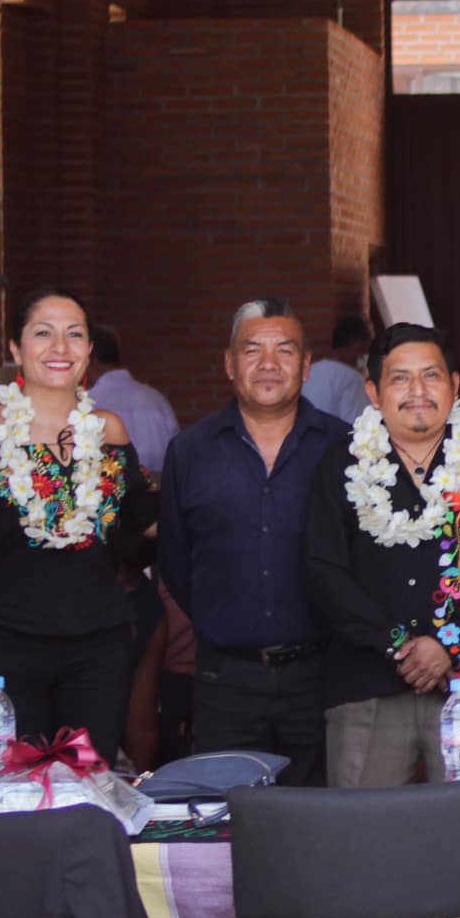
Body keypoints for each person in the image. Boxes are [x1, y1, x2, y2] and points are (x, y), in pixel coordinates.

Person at [305, 323, 460, 789]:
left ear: (454, 385)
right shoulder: (341, 463)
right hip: (367, 684)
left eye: (430, 376)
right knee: (364, 843)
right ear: (373, 391)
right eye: (400, 378)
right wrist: (397, 643)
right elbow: (324, 569)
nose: (417, 391)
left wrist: (448, 642)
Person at [0, 288, 156, 762]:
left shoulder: (110, 431)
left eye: (74, 334)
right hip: (5, 648)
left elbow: (142, 522)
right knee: (16, 797)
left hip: (100, 645)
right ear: (15, 348)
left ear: (88, 352)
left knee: (89, 788)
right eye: (44, 333)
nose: (60, 347)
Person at [157, 299, 348, 783]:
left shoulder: (345, 447)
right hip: (226, 680)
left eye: (284, 351)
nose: (268, 365)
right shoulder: (190, 451)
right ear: (228, 363)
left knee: (319, 825)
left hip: (322, 676)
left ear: (305, 367)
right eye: (252, 350)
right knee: (229, 830)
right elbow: (176, 561)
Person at [83, 324, 180, 476]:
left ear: (91, 359)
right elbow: (177, 451)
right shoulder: (155, 398)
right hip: (159, 492)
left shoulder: (88, 403)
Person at [299, 314, 372, 423]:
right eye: (367, 345)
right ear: (357, 343)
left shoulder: (309, 372)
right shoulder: (352, 379)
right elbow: (358, 427)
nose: (367, 352)